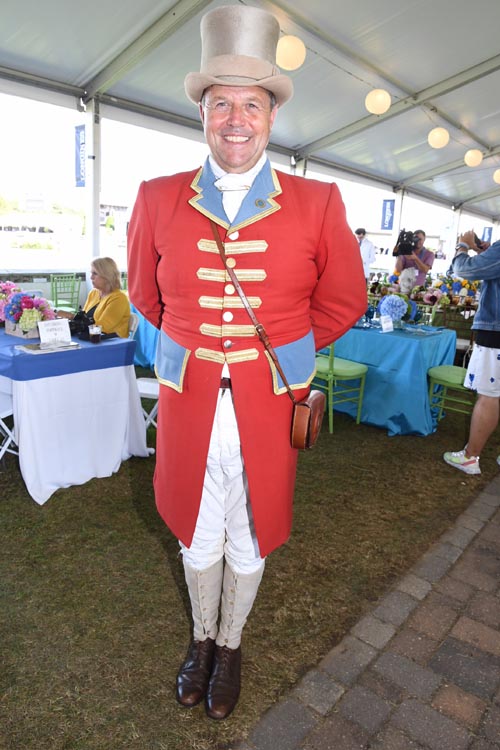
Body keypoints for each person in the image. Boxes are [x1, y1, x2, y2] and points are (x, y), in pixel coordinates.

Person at [127, 4, 366, 721]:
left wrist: (282, 352)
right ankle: (200, 639)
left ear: (271, 114)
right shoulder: (157, 196)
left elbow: (344, 299)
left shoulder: (319, 201)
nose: (237, 118)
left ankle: (232, 644)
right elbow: (144, 292)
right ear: (203, 112)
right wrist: (198, 348)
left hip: (268, 402)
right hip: (190, 399)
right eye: (221, 102)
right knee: (197, 531)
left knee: (252, 530)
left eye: (251, 104)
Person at [443, 230, 500, 475]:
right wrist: (488, 253)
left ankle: (470, 456)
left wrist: (463, 246)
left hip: (496, 330)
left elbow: (464, 271)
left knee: (489, 396)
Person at [58, 257, 130, 338]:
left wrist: (72, 321)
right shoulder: (94, 293)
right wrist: (70, 317)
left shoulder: (119, 299)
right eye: (91, 273)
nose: (91, 277)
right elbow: (84, 318)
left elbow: (101, 328)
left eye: (95, 273)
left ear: (107, 276)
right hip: (93, 339)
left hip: (112, 342)